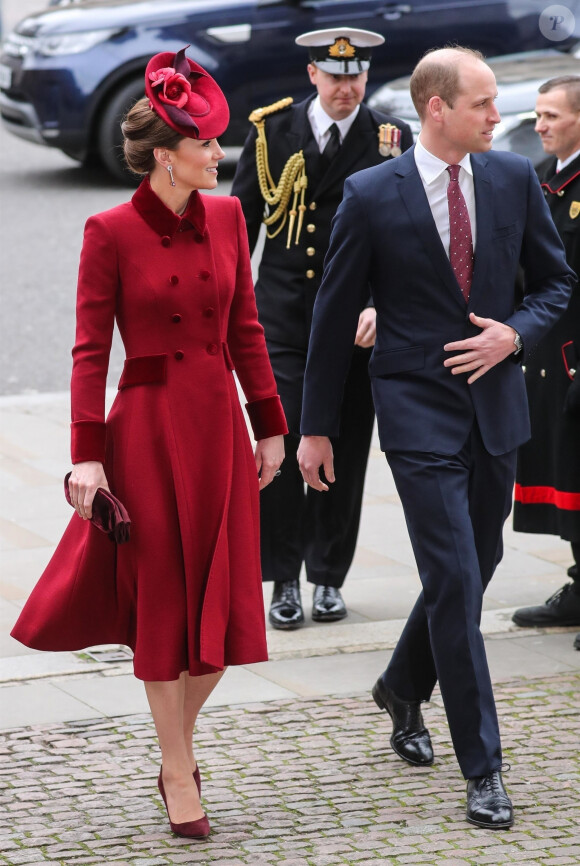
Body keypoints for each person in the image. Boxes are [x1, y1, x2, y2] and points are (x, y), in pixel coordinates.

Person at [11, 48, 287, 839]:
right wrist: (85, 453)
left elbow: (247, 328)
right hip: (147, 431)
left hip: (219, 429)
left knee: (224, 622)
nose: (217, 155)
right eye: (204, 145)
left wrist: (269, 424)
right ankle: (177, 769)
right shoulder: (110, 230)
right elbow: (89, 350)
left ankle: (178, 744)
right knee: (167, 608)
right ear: (167, 156)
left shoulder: (231, 216)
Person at [297, 47, 574, 828]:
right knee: (455, 575)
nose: (499, 116)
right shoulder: (370, 193)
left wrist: (511, 336)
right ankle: (483, 769)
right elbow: (330, 317)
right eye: (484, 103)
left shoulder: (514, 178)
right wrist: (315, 428)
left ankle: (399, 684)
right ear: (436, 109)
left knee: (477, 561)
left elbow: (555, 284)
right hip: (415, 407)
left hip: (497, 405)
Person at [231, 27, 412, 630]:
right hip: (280, 318)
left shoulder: (389, 139)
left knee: (344, 446)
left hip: (353, 325)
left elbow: (404, 237)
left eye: (356, 76)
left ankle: (328, 576)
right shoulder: (271, 132)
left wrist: (383, 304)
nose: (347, 88)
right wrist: (232, 314)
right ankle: (282, 576)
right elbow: (239, 232)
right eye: (335, 77)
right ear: (312, 74)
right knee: (278, 451)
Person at [511, 75, 580, 648]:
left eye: (552, 115)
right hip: (546, 359)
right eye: (537, 115)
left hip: (575, 357)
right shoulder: (541, 178)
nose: (540, 126)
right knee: (563, 475)